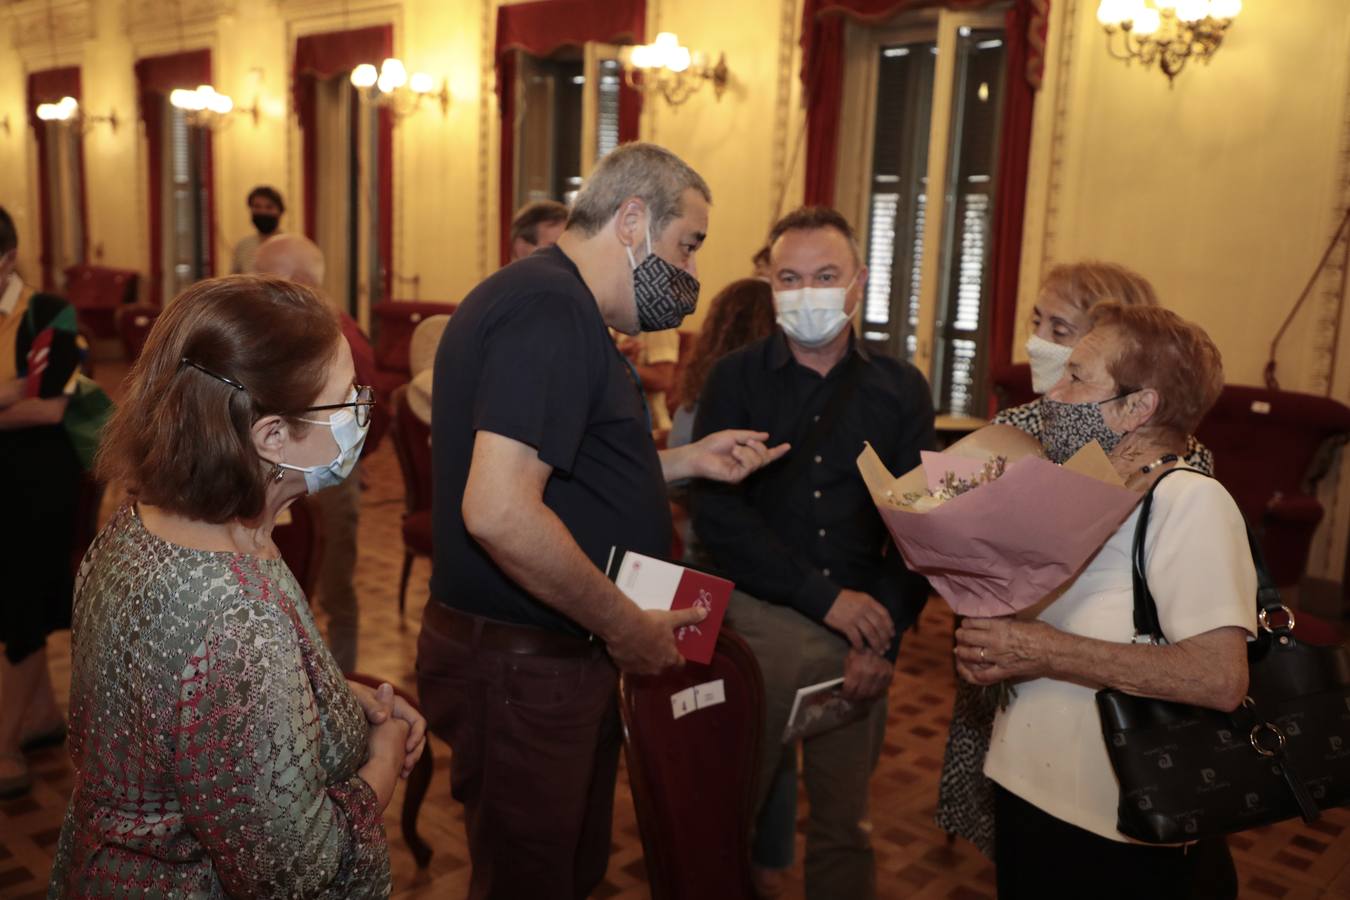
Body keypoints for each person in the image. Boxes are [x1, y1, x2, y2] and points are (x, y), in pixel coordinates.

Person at [416, 141, 788, 900]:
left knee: (565, 872)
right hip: (526, 664)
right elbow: (497, 509)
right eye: (688, 246)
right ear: (631, 220)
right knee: (532, 881)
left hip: (543, 661)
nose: (692, 274)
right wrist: (624, 625)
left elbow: (561, 469)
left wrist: (684, 463)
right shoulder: (551, 310)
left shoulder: (557, 304)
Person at [50, 275, 426, 895]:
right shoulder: (237, 622)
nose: (362, 412)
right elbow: (296, 870)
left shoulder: (157, 520)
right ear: (272, 436)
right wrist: (385, 750)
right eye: (344, 401)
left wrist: (334, 701)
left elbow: (198, 715)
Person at [955, 302, 1251, 898]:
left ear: (1136, 408)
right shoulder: (1075, 492)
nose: (1053, 396)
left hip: (1117, 818)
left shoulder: (1190, 502)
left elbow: (1219, 678)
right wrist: (991, 645)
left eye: (1077, 377)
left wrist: (1042, 649)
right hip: (1028, 790)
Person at [691, 206, 935, 899]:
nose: (807, 292)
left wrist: (880, 639)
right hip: (760, 620)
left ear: (858, 283)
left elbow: (924, 527)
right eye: (790, 278)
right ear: (769, 286)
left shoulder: (899, 387)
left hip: (866, 634)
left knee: (845, 825)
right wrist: (825, 600)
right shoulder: (735, 379)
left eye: (825, 275)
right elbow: (719, 515)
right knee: (730, 813)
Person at [254, 233, 386, 672]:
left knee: (333, 589)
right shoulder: (278, 330)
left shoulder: (337, 336)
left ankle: (341, 685)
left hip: (328, 481)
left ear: (297, 280)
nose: (252, 287)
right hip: (275, 480)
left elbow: (372, 411)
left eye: (261, 277)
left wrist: (355, 459)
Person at [0, 206, 81, 799]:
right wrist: (12, 393)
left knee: (20, 610)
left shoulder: (48, 313)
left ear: (8, 260)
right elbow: (25, 393)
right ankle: (44, 717)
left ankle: (2, 747)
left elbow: (48, 405)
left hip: (39, 482)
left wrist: (23, 394)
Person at [616, 328, 681, 431]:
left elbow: (663, 379)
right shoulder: (610, 324)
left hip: (649, 428)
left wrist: (616, 365)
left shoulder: (660, 328)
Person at [230, 185, 285, 275]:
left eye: (269, 207)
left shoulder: (291, 246)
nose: (263, 212)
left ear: (280, 211)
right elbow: (234, 282)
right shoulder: (243, 246)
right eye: (257, 207)